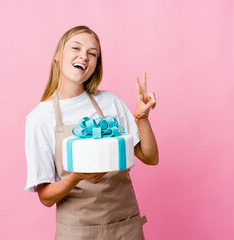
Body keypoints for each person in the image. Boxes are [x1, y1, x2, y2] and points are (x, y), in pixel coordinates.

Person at [24, 25, 159, 240]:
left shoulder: (110, 102)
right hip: (78, 232)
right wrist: (76, 177)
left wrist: (141, 118)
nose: (84, 57)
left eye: (92, 53)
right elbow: (46, 197)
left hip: (125, 226)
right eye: (75, 48)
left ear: (96, 64)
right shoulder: (40, 118)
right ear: (57, 55)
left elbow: (151, 158)